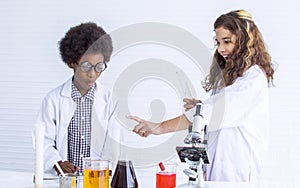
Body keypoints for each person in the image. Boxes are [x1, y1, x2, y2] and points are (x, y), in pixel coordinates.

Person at [129, 10, 274, 182]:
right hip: (217, 172)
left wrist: (161, 127)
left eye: (227, 42)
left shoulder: (252, 80)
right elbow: (221, 115)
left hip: (235, 175)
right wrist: (200, 107)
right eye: (218, 42)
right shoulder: (232, 77)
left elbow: (213, 113)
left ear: (244, 42)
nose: (221, 49)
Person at [34, 22, 114, 175]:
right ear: (71, 63)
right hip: (65, 180)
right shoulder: (53, 100)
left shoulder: (109, 100)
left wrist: (106, 166)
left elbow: (114, 142)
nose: (92, 74)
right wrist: (57, 163)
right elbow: (43, 140)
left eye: (99, 67)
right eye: (85, 66)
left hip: (97, 179)